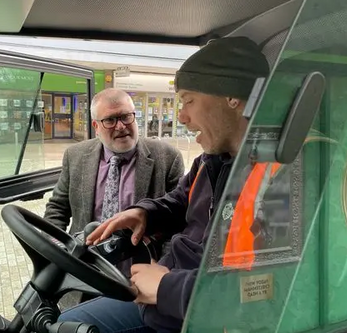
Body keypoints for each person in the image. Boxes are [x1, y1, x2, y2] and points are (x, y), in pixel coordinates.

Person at [57, 37, 271, 333]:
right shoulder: (209, 163)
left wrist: (166, 286)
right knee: (66, 322)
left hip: (192, 313)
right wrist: (144, 213)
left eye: (189, 101)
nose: (181, 117)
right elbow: (178, 201)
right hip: (166, 294)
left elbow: (263, 292)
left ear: (231, 97)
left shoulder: (283, 176)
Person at [43, 87, 185, 281]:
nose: (120, 126)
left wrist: (162, 270)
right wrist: (56, 250)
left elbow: (177, 224)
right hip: (83, 271)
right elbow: (57, 208)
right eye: (110, 120)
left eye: (126, 117)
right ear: (96, 126)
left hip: (139, 276)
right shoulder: (75, 156)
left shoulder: (168, 158)